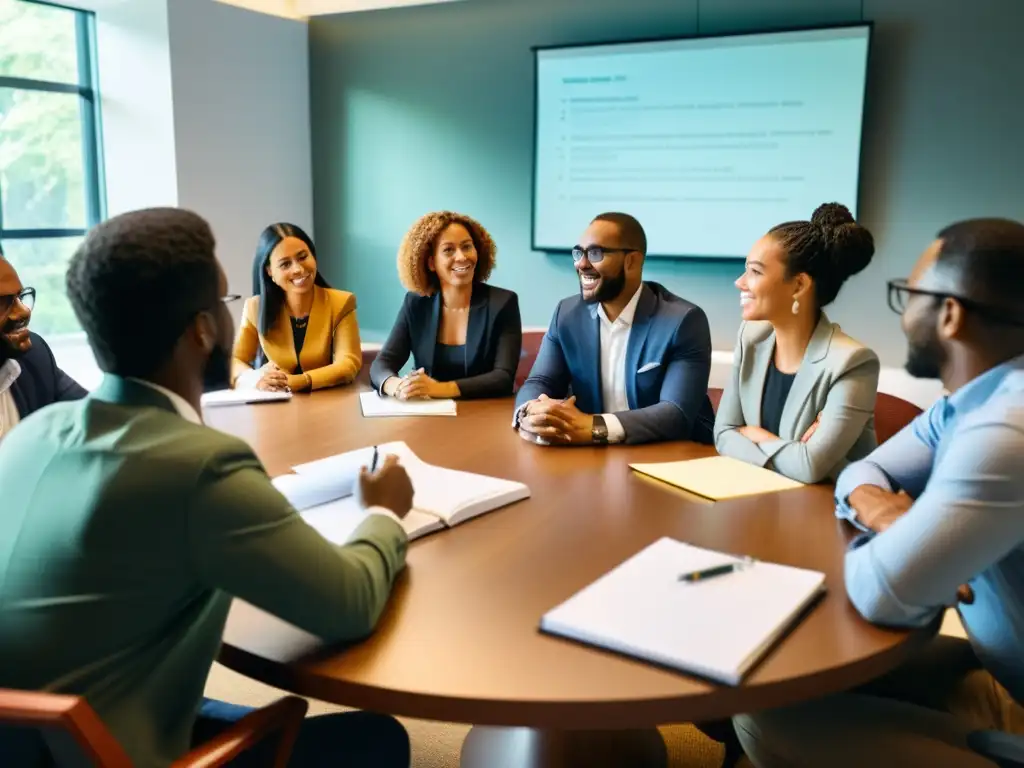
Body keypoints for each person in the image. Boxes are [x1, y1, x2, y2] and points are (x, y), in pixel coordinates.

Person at [0, 208, 413, 768]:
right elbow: (351, 605)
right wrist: (383, 514)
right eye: (223, 304)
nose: (229, 317)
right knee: (379, 738)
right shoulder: (201, 466)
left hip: (42, 738)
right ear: (201, 329)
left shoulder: (29, 436)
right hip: (112, 753)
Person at [733, 218, 1024, 767]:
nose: (903, 311)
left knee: (763, 717)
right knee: (776, 673)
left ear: (950, 314)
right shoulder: (968, 403)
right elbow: (861, 473)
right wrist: (883, 507)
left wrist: (906, 530)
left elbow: (881, 593)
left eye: (909, 295)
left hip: (1012, 697)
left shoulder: (1006, 429)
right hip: (1001, 668)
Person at [514, 212, 714, 445]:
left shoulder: (683, 321)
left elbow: (676, 413)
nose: (581, 264)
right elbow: (540, 380)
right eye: (579, 253)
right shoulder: (567, 314)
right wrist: (529, 413)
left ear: (632, 261)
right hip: (592, 455)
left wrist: (594, 427)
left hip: (671, 455)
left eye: (596, 253)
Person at [713, 203, 879, 483]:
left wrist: (756, 437)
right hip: (757, 496)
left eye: (755, 272)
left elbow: (810, 467)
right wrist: (791, 452)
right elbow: (723, 434)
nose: (740, 282)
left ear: (799, 285)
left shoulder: (852, 362)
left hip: (825, 511)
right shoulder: (751, 336)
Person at [370, 211, 522, 400]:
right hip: (430, 415)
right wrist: (398, 386)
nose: (461, 257)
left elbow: (503, 378)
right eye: (449, 250)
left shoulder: (503, 303)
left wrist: (439, 389)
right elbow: (382, 364)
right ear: (431, 262)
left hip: (484, 414)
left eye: (467, 247)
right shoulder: (416, 303)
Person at [232, 223, 361, 392]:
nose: (299, 269)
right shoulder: (254, 307)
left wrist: (298, 381)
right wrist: (255, 378)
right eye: (285, 264)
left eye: (302, 257)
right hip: (275, 406)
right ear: (269, 271)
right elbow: (235, 360)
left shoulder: (342, 302)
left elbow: (348, 364)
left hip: (327, 401)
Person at [0, 245, 86, 441]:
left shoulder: (33, 356)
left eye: (20, 298)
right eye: (3, 303)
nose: (23, 312)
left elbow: (95, 417)